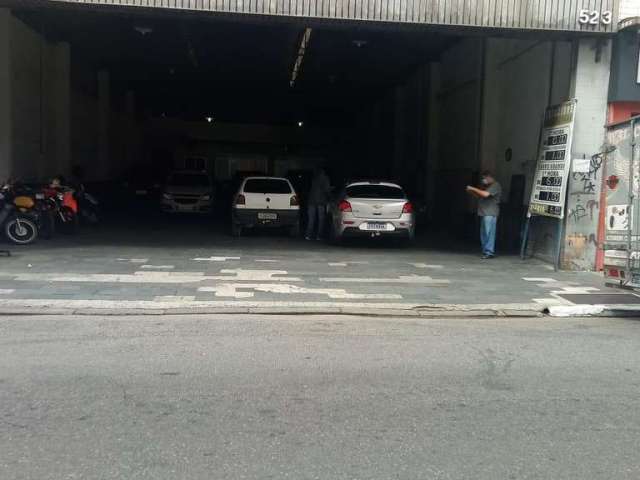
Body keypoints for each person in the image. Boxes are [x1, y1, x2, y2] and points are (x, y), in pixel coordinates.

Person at [466, 171, 502, 259]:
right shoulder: (487, 187)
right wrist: (471, 192)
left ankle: (489, 252)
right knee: (484, 233)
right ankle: (485, 251)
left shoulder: (495, 185)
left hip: (490, 213)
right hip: (484, 213)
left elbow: (485, 194)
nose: (483, 180)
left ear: (490, 177)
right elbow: (480, 195)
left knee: (489, 233)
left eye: (484, 178)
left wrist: (473, 188)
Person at [305, 167, 331, 241]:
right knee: (321, 220)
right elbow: (327, 190)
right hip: (321, 201)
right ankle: (319, 236)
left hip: (311, 201)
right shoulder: (325, 178)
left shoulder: (314, 178)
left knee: (311, 219)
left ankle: (308, 235)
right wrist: (330, 197)